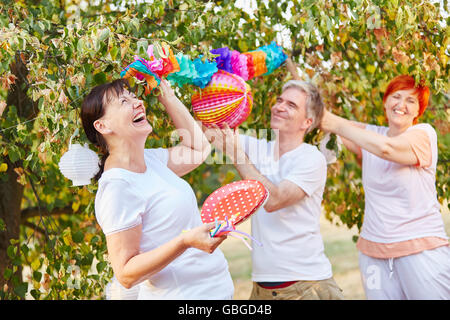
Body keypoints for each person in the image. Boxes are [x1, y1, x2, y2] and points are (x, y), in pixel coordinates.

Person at [80, 79, 234, 300]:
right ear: (102, 126)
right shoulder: (117, 188)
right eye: (124, 101)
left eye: (134, 97)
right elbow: (125, 274)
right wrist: (184, 242)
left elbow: (199, 149)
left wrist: (168, 97)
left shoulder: (151, 160)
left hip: (217, 291)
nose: (138, 102)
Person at [205, 76, 344, 300]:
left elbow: (274, 201)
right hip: (262, 289)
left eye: (291, 105)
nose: (279, 107)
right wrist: (210, 88)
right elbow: (207, 130)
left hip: (305, 287)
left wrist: (236, 154)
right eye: (279, 100)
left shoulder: (310, 159)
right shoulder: (259, 147)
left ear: (307, 122)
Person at [320, 75, 450, 299]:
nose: (401, 105)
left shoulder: (423, 134)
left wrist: (334, 122)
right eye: (396, 96)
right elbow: (331, 124)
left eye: (411, 100)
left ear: (419, 109)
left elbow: (387, 149)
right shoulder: (372, 135)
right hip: (373, 254)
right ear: (385, 101)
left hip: (420, 251)